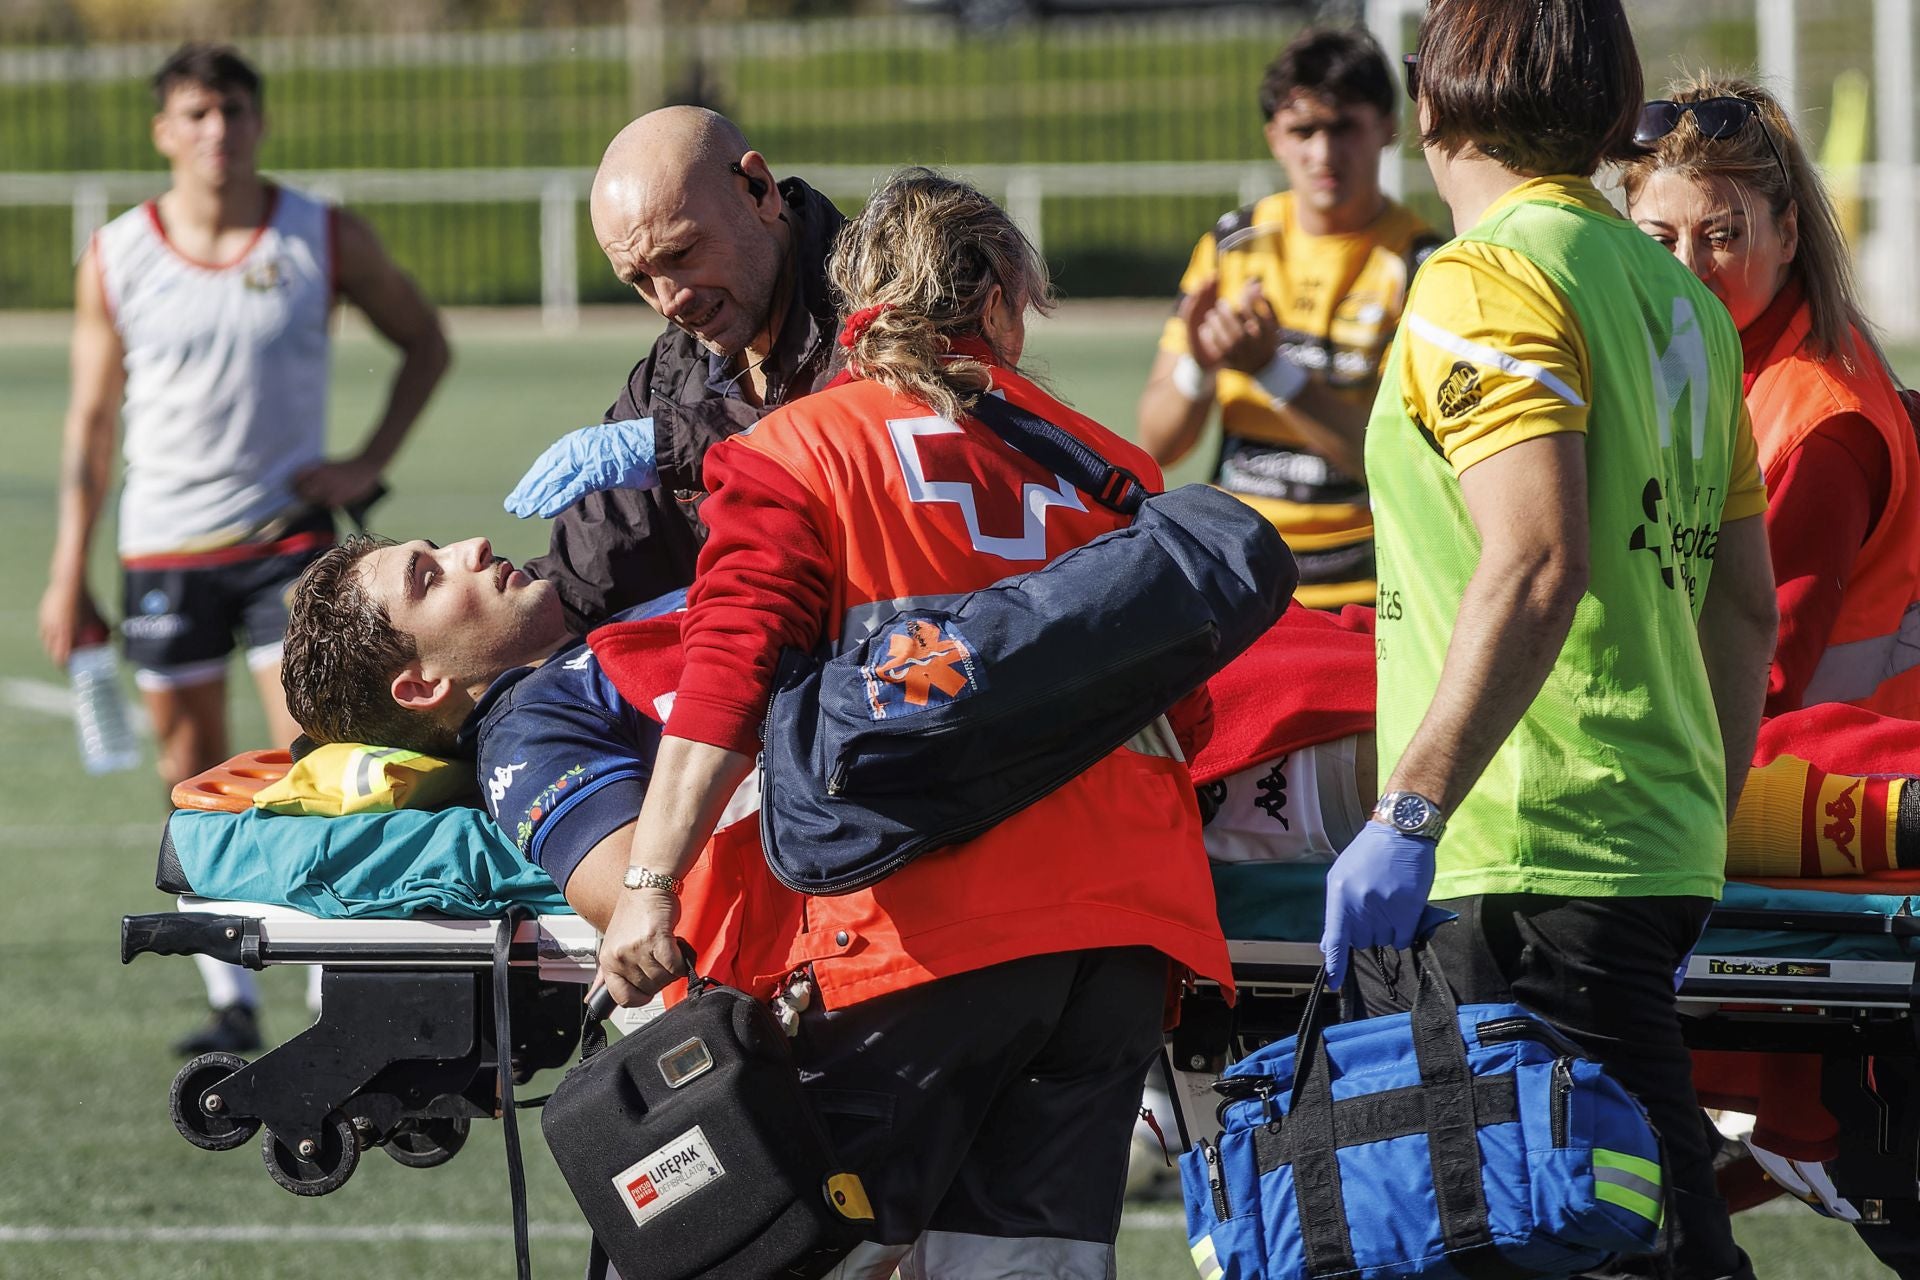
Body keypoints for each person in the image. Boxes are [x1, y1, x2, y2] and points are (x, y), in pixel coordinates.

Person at [588, 169, 1231, 1278]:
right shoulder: (1113, 469)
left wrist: (650, 880)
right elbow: (1185, 707)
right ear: (996, 299)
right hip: (1125, 930)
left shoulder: (799, 450)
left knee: (790, 1256)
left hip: (927, 932)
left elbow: (726, 671)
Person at [1317, 3, 1778, 1278]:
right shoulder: (1680, 299)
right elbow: (1745, 604)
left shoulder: (1483, 275)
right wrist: (1698, 798)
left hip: (1518, 850)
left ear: (1430, 103)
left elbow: (1535, 558)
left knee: (1564, 1244)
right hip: (1646, 840)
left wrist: (1408, 811)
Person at [36, 42, 449, 1056]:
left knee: (317, 758)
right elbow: (91, 422)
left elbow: (425, 342)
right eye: (194, 113)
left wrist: (366, 462)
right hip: (163, 551)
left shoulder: (320, 234)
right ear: (162, 132)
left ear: (259, 123)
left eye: (232, 111)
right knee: (195, 768)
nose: (216, 131)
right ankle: (231, 1000)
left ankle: (332, 994)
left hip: (288, 547)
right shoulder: (119, 254)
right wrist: (67, 569)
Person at [1622, 77, 1920, 721]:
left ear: (1788, 234)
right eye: (1658, 241)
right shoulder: (1693, 359)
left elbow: (1755, 687)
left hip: (1825, 792)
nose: (1687, 270)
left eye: (1722, 237)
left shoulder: (1822, 429)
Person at [1135, 26, 1440, 609]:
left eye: (1344, 127)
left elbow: (1392, 460)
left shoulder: (1419, 264)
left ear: (1387, 128)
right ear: (1275, 137)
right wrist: (1198, 366)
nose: (1323, 154)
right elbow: (1158, 443)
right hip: (1239, 567)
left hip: (1365, 580)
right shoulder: (1233, 245)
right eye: (1303, 131)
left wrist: (1272, 371)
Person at [517, 106, 848, 631]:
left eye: (682, 252)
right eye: (641, 280)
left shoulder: (890, 297)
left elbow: (871, 443)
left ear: (759, 189)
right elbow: (586, 584)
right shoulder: (669, 379)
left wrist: (680, 445)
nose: (671, 301)